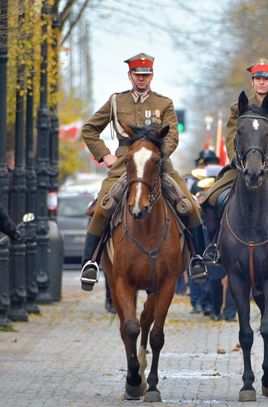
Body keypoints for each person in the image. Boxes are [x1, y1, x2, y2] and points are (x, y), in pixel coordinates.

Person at [79, 52, 203, 291]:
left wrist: (156, 155)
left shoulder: (164, 103)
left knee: (191, 205)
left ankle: (198, 258)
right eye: (138, 75)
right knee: (102, 207)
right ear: (130, 75)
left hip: (158, 164)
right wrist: (105, 155)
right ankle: (90, 263)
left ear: (152, 76)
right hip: (124, 164)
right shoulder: (116, 101)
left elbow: (173, 137)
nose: (142, 79)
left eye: (146, 75)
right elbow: (89, 129)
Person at [193, 58, 268, 276]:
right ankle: (212, 246)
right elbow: (232, 137)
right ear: (252, 81)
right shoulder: (237, 108)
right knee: (211, 199)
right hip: (242, 165)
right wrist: (235, 159)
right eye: (258, 78)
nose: (261, 83)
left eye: (266, 79)